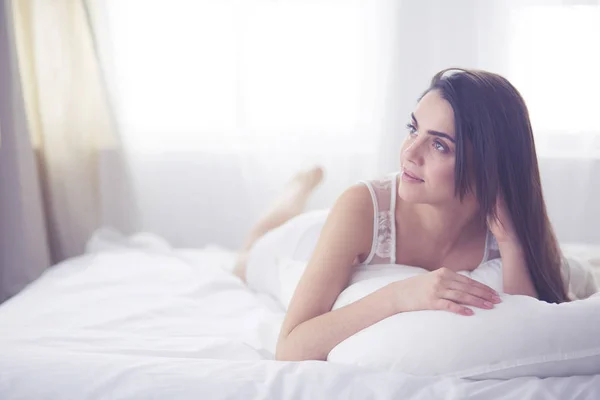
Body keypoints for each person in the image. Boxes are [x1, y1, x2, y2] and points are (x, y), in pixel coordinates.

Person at [233, 68, 570, 362]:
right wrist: (401, 295)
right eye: (413, 129)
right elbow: (290, 348)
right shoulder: (359, 205)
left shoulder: (506, 220)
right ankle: (298, 189)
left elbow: (527, 333)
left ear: (488, 165)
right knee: (248, 253)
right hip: (306, 241)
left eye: (439, 145)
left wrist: (512, 242)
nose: (410, 152)